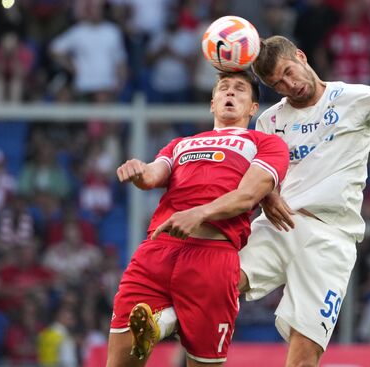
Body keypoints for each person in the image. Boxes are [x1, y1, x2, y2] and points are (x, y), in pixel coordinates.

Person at [236, 36, 370, 366]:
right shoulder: (269, 121)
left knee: (304, 355)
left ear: (302, 55)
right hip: (279, 225)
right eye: (277, 84)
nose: (289, 86)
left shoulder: (358, 98)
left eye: (289, 72)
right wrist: (267, 196)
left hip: (331, 237)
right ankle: (159, 322)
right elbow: (261, 177)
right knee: (223, 279)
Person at [106, 71, 289, 367]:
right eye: (224, 89)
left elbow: (247, 196)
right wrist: (139, 171)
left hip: (212, 259)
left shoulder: (265, 143)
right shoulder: (181, 143)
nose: (230, 94)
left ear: (254, 108)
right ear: (212, 103)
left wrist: (199, 213)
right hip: (155, 255)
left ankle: (163, 324)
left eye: (240, 90)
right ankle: (163, 323)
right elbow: (155, 174)